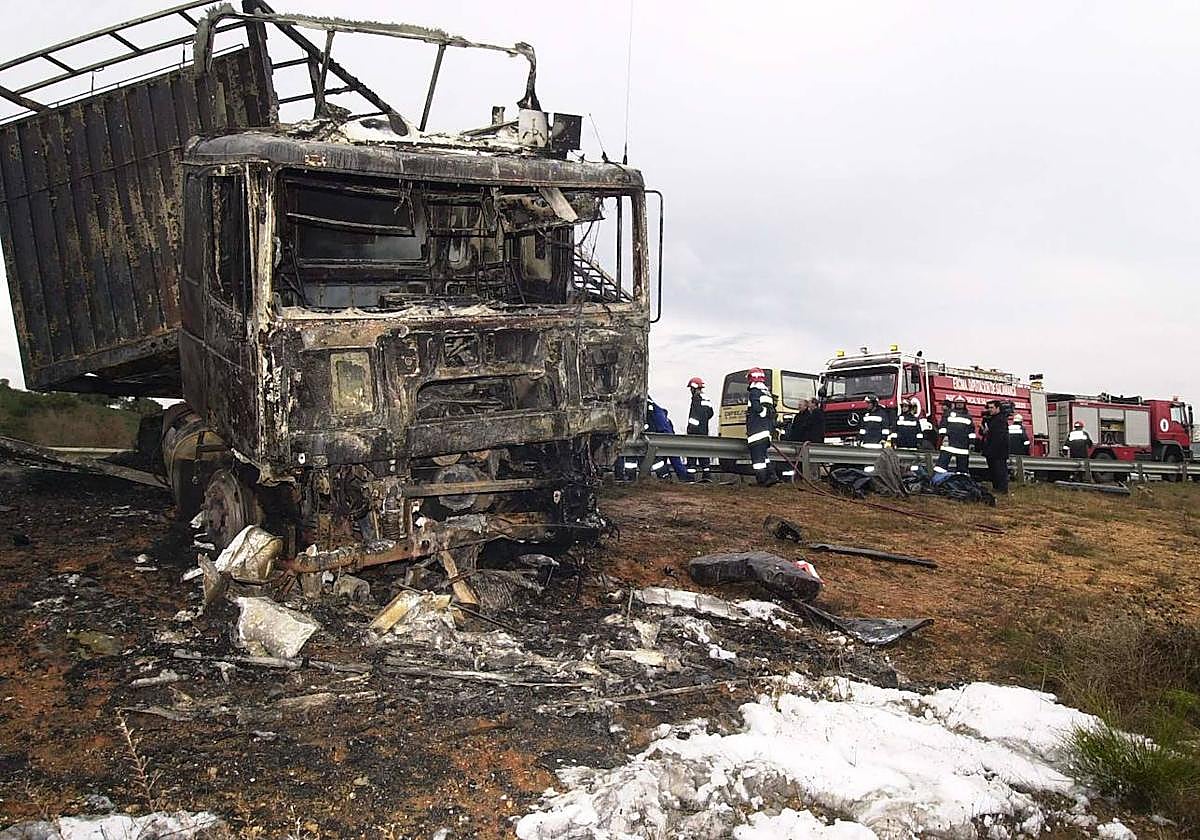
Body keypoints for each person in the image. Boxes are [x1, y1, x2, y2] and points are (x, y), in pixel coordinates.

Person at [745, 367, 778, 486]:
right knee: (764, 456)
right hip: (766, 430)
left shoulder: (754, 391)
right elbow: (771, 411)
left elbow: (757, 408)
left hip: (757, 430)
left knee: (758, 460)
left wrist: (760, 414)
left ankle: (762, 480)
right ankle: (772, 476)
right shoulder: (766, 392)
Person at [645, 397, 689, 480]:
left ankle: (665, 476)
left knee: (658, 461)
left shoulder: (648, 407)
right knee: (674, 459)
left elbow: (650, 426)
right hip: (668, 437)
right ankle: (684, 477)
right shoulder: (660, 413)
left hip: (660, 437)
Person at [936, 395, 976, 474]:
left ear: (964, 404)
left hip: (963, 446)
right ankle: (937, 480)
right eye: (957, 403)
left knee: (962, 469)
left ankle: (961, 483)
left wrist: (972, 443)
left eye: (961, 403)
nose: (959, 404)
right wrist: (943, 437)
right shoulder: (948, 413)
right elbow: (942, 426)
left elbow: (971, 431)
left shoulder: (968, 416)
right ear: (954, 403)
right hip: (948, 444)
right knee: (941, 467)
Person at [685, 376, 714, 479]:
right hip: (704, 431)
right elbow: (711, 413)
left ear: (694, 388)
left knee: (691, 455)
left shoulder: (696, 399)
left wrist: (690, 428)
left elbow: (693, 416)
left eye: (691, 389)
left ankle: (690, 478)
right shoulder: (707, 399)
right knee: (704, 454)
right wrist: (703, 422)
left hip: (694, 432)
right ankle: (707, 477)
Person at [980, 400, 1010, 493]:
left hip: (999, 451)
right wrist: (984, 430)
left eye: (992, 407)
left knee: (1000, 470)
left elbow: (999, 436)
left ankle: (1002, 489)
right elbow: (983, 433)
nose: (990, 410)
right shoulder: (990, 419)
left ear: (998, 408)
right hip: (990, 449)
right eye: (988, 408)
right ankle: (996, 487)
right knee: (993, 471)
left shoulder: (1001, 419)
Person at [858, 394, 890, 473]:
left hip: (877, 444)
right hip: (866, 444)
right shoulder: (866, 415)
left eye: (869, 403)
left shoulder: (882, 414)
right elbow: (862, 429)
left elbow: (885, 429)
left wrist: (883, 439)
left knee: (876, 464)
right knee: (866, 464)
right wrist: (859, 439)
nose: (867, 405)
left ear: (874, 404)